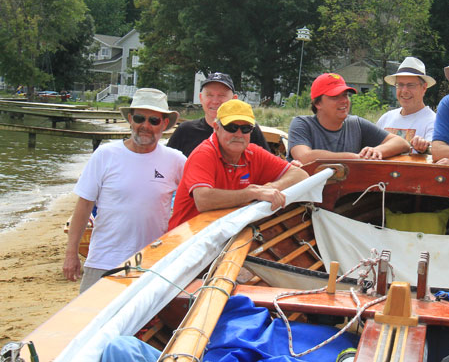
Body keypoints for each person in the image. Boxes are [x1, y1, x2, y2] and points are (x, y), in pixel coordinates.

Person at [63, 88, 186, 292]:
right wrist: (71, 253)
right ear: (130, 119)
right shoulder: (105, 155)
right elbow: (84, 206)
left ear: (164, 124)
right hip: (102, 261)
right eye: (139, 118)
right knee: (90, 321)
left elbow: (197, 198)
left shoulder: (176, 160)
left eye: (153, 121)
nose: (145, 126)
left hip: (152, 264)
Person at [169, 99, 308, 229]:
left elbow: (301, 175)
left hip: (224, 232)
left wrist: (270, 188)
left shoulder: (253, 152)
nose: (239, 134)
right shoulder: (203, 154)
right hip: (187, 238)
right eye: (232, 127)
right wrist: (253, 193)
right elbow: (203, 200)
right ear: (216, 127)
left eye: (246, 129)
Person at [287, 73, 410, 164]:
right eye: (335, 97)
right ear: (317, 104)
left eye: (345, 95)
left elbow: (402, 143)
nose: (344, 101)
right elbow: (304, 157)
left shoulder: (356, 124)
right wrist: (355, 158)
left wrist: (376, 151)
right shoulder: (301, 124)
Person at [167, 72, 271, 157]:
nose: (215, 101)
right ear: (201, 98)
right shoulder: (185, 130)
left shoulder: (247, 129)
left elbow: (271, 169)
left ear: (234, 99)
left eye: (222, 95)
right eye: (209, 95)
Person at [376, 57, 436, 154]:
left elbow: (434, 155)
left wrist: (425, 147)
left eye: (410, 85)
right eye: (400, 85)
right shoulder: (385, 118)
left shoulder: (434, 122)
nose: (404, 91)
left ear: (424, 88)